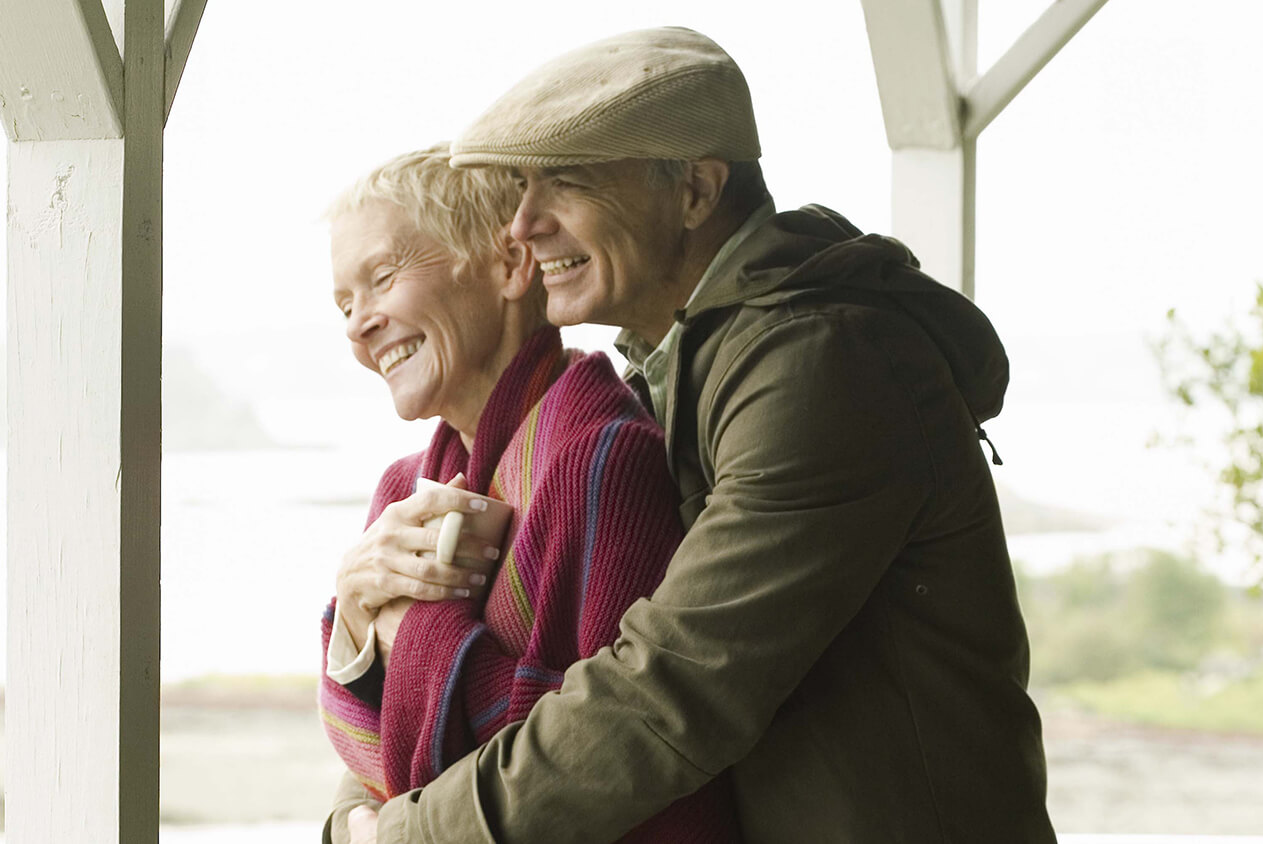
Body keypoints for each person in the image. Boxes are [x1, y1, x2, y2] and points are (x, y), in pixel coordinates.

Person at [347, 27, 1057, 844]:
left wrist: (411, 836)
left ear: (694, 191)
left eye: (564, 185)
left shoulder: (820, 365)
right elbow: (540, 666)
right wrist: (365, 637)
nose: (521, 224)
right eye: (519, 190)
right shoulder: (677, 367)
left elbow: (670, 689)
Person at [317, 144, 741, 843]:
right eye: (344, 302)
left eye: (383, 278)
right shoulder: (403, 491)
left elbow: (586, 768)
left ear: (511, 266)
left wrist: (411, 633)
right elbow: (372, 763)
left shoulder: (603, 457)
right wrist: (357, 626)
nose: (358, 323)